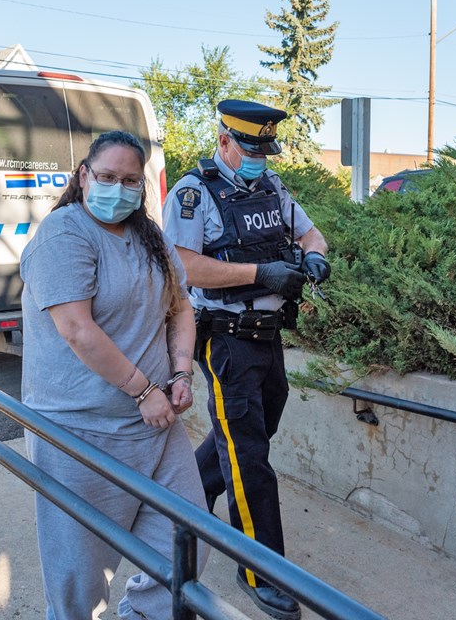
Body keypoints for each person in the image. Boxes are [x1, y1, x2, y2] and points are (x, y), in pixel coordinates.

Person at [19, 130, 210, 620]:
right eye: (106, 177)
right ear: (84, 176)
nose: (118, 189)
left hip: (154, 428)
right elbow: (77, 329)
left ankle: (141, 614)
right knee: (81, 581)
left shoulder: (150, 237)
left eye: (130, 180)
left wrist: (181, 371)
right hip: (80, 432)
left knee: (188, 543)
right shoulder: (64, 235)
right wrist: (144, 389)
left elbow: (180, 307)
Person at [161, 100, 331, 620]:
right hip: (227, 340)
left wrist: (316, 256)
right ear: (225, 142)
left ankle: (186, 501)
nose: (259, 159)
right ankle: (260, 570)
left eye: (265, 150)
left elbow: (308, 233)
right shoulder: (193, 194)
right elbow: (185, 266)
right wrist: (262, 275)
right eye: (251, 150)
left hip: (269, 339)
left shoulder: (272, 188)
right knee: (251, 455)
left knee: (249, 438)